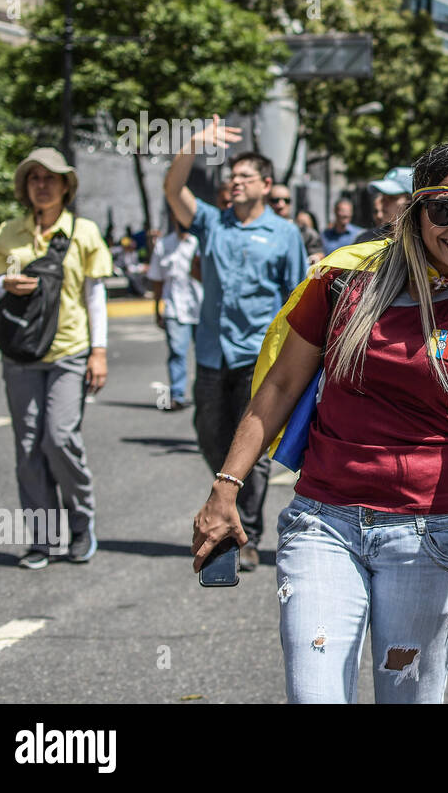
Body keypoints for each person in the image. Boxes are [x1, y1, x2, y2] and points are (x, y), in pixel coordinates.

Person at [190, 140, 448, 703]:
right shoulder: (342, 282)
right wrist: (225, 488)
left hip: (431, 537)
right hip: (324, 525)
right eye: (443, 209)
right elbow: (279, 387)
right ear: (414, 212)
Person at [165, 117, 308, 573]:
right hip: (212, 352)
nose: (235, 184)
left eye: (245, 177)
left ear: (267, 185)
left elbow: (298, 298)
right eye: (231, 178)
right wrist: (191, 145)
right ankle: (231, 498)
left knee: (256, 448)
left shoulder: (285, 234)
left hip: (259, 356)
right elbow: (174, 190)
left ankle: (247, 532)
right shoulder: (212, 223)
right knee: (210, 435)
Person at [0, 148, 114, 569]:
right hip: (20, 352)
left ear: (65, 186)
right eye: (34, 178)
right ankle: (43, 538)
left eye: (50, 178)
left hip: (69, 352)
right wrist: (4, 283)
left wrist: (99, 351)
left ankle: (80, 523)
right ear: (25, 187)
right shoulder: (9, 231)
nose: (42, 184)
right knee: (27, 446)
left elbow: (95, 294)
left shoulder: (84, 232)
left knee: (59, 438)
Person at [147, 210, 203, 412]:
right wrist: (157, 309)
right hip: (174, 307)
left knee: (204, 355)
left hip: (201, 309)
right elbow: (157, 281)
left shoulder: (200, 242)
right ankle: (177, 395)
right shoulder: (164, 245)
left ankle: (203, 395)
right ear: (174, 218)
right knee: (177, 351)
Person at [269, 184, 325, 264]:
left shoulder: (305, 232)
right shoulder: (261, 230)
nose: (281, 205)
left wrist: (310, 260)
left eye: (286, 201)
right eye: (275, 200)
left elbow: (318, 255)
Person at [354, 169, 412, 244]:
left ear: (411, 201)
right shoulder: (366, 239)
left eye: (392, 198)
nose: (384, 203)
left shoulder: (425, 242)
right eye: (383, 197)